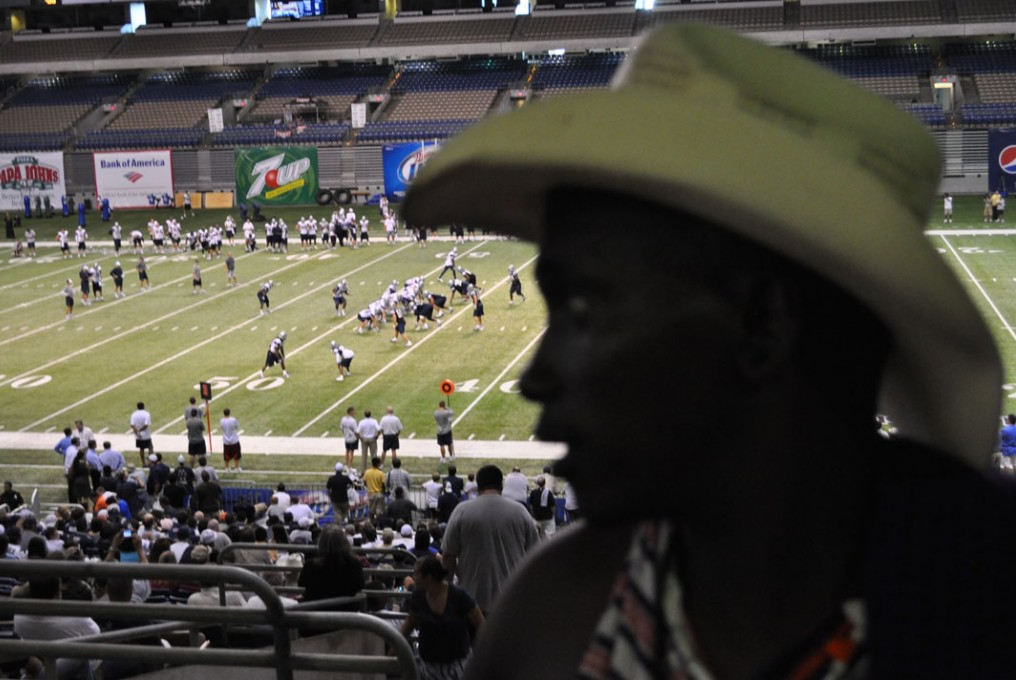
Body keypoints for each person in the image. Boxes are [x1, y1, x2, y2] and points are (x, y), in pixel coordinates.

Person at [401, 22, 1016, 678]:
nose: (538, 378)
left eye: (585, 310)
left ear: (762, 323)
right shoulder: (548, 611)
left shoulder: (562, 619)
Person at [439, 465, 540, 615]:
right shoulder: (519, 511)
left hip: (472, 602)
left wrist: (447, 591)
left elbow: (448, 557)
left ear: (478, 486)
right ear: (502, 485)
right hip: (510, 600)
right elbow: (536, 554)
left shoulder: (462, 510)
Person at [400, 556, 485, 680]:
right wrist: (394, 647)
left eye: (416, 574)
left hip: (458, 665)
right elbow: (409, 623)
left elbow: (480, 623)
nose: (414, 578)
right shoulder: (418, 597)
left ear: (428, 577)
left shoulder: (459, 596)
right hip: (428, 667)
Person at [362, 457, 386, 522]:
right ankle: (378, 524)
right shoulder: (381, 473)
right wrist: (383, 492)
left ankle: (371, 523)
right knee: (379, 510)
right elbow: (383, 484)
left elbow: (364, 482)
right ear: (378, 464)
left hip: (371, 494)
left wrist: (369, 486)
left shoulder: (367, 472)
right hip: (379, 493)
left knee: (371, 510)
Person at [129, 402, 152, 467]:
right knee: (150, 447)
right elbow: (146, 424)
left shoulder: (134, 414)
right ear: (143, 406)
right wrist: (140, 430)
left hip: (138, 435)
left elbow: (132, 425)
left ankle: (143, 463)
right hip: (146, 435)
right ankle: (150, 462)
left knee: (141, 449)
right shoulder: (146, 414)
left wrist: (137, 432)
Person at [220, 408, 242, 473]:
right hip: (234, 440)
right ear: (229, 413)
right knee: (236, 455)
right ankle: (237, 468)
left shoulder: (222, 420)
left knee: (226, 455)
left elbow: (221, 427)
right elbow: (237, 426)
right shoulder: (233, 420)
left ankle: (226, 468)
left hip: (226, 440)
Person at [340, 406, 359, 470]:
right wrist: (358, 437)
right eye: (353, 412)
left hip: (346, 437)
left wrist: (345, 433)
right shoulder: (353, 420)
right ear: (350, 412)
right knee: (351, 452)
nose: (354, 413)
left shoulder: (343, 419)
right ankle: (349, 466)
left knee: (347, 450)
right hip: (352, 438)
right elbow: (356, 430)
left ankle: (347, 464)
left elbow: (341, 428)